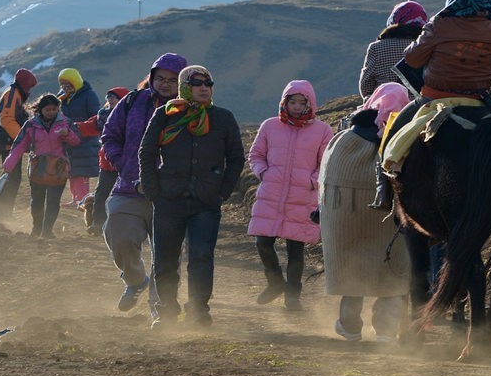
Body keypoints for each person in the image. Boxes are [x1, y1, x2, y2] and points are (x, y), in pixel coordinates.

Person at [371, 0, 491, 209]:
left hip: (434, 99)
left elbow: (412, 59)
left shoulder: (439, 25)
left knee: (394, 130)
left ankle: (384, 191)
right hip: (483, 100)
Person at [137, 66, 244, 330]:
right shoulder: (165, 115)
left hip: (206, 201)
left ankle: (198, 311)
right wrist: (153, 191)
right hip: (168, 200)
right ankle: (166, 312)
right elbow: (147, 152)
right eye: (197, 84)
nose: (204, 88)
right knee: (165, 260)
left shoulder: (223, 118)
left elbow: (236, 158)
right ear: (185, 87)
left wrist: (222, 191)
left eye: (208, 83)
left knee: (201, 257)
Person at [319, 82, 412, 342]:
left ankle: (350, 327)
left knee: (353, 272)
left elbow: (327, 184)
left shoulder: (344, 140)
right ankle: (385, 330)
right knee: (392, 271)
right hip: (390, 221)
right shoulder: (407, 139)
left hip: (349, 222)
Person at [101, 53, 188, 317]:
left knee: (166, 257)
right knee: (118, 236)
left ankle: (160, 313)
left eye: (172, 80)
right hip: (130, 187)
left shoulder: (192, 109)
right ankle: (136, 280)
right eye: (160, 78)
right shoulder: (132, 101)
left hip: (172, 193)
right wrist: (122, 163)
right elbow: (110, 134)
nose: (165, 84)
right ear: (151, 77)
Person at [247, 80, 334, 311]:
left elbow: (326, 163)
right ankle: (275, 282)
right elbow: (256, 155)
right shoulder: (269, 126)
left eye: (301, 102)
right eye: (292, 101)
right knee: (262, 242)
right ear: (284, 102)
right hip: (271, 194)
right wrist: (263, 173)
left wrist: (312, 181)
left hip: (303, 197)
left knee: (296, 249)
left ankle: (293, 295)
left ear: (310, 104)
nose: (296, 106)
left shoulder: (323, 130)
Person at [2, 93, 81, 239]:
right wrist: (9, 164)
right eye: (47, 110)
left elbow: (76, 141)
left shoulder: (66, 123)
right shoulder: (30, 125)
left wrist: (67, 134)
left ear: (58, 108)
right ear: (40, 109)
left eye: (54, 109)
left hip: (59, 170)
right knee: (37, 201)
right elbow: (19, 145)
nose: (51, 112)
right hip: (38, 169)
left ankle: (47, 230)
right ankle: (37, 228)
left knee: (53, 201)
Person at [0, 68, 38, 222]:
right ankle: (0, 214)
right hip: (9, 145)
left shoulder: (14, 93)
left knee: (11, 179)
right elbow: (7, 119)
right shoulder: (12, 94)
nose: (29, 90)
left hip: (11, 144)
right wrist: (21, 140)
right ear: (24, 84)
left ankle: (1, 213)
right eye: (29, 86)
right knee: (11, 180)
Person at [78, 87, 129, 235]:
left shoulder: (133, 116)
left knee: (125, 195)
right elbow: (90, 126)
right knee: (101, 193)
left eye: (114, 97)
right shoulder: (102, 115)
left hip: (127, 162)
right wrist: (73, 126)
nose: (110, 100)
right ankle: (98, 223)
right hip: (107, 162)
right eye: (109, 97)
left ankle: (122, 226)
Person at [358, 0, 428, 100]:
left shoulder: (377, 48)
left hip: (386, 104)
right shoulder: (428, 46)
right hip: (423, 104)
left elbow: (366, 87)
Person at [56, 68, 101, 208]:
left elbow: (95, 117)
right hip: (68, 139)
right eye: (62, 84)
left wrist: (81, 129)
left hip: (85, 139)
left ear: (75, 81)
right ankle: (75, 199)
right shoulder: (62, 97)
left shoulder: (89, 95)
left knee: (82, 171)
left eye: (67, 83)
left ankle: (82, 200)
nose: (64, 87)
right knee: (72, 170)